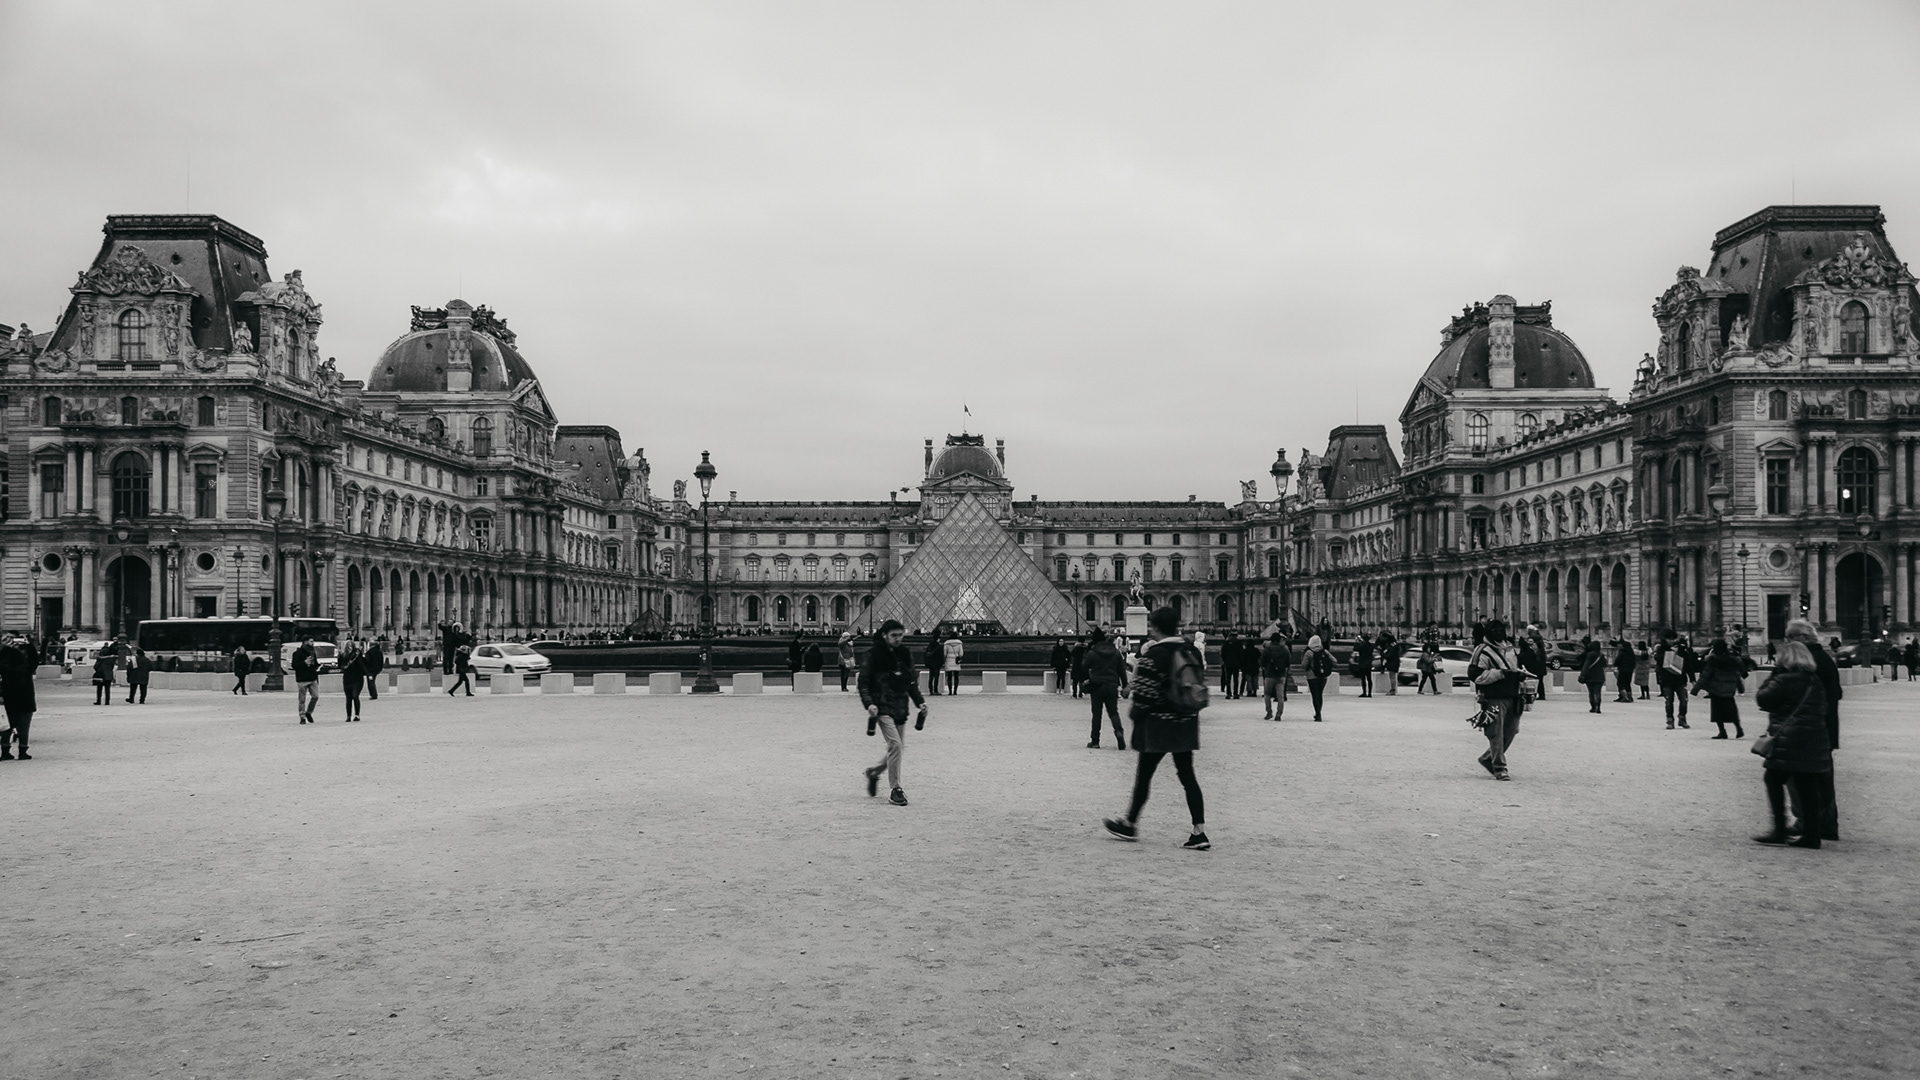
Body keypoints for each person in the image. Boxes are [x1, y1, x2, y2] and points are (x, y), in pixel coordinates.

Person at [1103, 606, 1210, 851]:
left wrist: (1135, 715)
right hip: (1185, 721)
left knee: (1144, 776)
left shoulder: (1154, 655)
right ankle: (1199, 831)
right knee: (1188, 777)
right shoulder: (1191, 650)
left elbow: (1144, 695)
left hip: (1158, 725)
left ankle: (1130, 823)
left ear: (1155, 627)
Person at [1751, 641, 1831, 849]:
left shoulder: (1784, 679)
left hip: (1788, 739)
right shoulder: (1814, 681)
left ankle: (1779, 829)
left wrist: (1774, 674)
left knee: (1773, 778)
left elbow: (1763, 698)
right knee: (1807, 786)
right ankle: (1813, 835)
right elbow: (1823, 707)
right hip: (1814, 739)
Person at [858, 620, 927, 807]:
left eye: (901, 635)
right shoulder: (872, 655)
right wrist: (869, 704)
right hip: (881, 707)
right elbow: (863, 683)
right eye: (894, 635)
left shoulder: (904, 653)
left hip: (900, 707)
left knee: (896, 749)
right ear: (884, 635)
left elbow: (911, 681)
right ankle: (896, 789)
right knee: (896, 745)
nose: (898, 639)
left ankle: (873, 773)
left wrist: (920, 702)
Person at [1787, 619, 1841, 842]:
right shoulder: (1825, 659)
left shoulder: (1808, 661)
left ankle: (1806, 821)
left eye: (1791, 638)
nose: (1787, 642)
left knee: (1799, 777)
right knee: (1823, 777)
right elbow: (1836, 693)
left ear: (1805, 638)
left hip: (1807, 730)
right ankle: (1827, 823)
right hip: (1825, 727)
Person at [1470, 618, 1525, 781]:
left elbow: (1516, 668)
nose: (1500, 633)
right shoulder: (1482, 650)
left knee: (1511, 730)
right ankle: (1500, 767)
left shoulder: (1510, 649)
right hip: (1493, 697)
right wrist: (1500, 674)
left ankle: (1488, 758)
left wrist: (1520, 675)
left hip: (1513, 695)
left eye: (1502, 630)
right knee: (1496, 733)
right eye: (1496, 631)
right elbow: (1475, 675)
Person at [1694, 638, 1747, 739]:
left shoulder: (1713, 661)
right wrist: (1740, 688)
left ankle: (1722, 731)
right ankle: (1739, 728)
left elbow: (1705, 676)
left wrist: (1696, 689)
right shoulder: (1732, 660)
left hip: (1716, 690)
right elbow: (1737, 675)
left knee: (1717, 712)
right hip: (1729, 690)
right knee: (1732, 710)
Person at [1084, 627, 1127, 749]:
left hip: (1097, 686)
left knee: (1097, 714)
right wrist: (1125, 685)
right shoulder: (1116, 653)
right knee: (1113, 712)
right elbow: (1122, 671)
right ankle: (1119, 732)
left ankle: (1095, 741)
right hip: (1112, 685)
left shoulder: (1093, 653)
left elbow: (1084, 666)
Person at [0, 632, 36, 761]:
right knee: (24, 728)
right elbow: (35, 660)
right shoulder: (26, 667)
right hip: (26, 698)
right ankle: (22, 751)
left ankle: (5, 751)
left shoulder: (4, 665)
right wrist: (29, 645)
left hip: (8, 697)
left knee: (7, 727)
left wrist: (6, 648)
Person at [1655, 632, 1693, 729]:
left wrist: (1692, 678)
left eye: (1673, 639)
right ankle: (1670, 720)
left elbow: (1688, 663)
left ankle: (1682, 718)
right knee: (1669, 701)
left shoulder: (1681, 649)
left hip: (1680, 679)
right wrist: (1669, 653)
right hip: (1667, 679)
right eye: (1669, 639)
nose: (1671, 641)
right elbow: (1658, 659)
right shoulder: (1662, 648)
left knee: (1684, 700)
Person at [1302, 635, 1335, 721]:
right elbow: (1334, 661)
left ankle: (1318, 714)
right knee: (1320, 694)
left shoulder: (1309, 652)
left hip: (1312, 676)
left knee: (1314, 695)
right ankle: (1318, 712)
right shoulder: (1325, 651)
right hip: (1323, 676)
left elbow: (1304, 665)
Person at [1260, 633, 1292, 719]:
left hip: (1269, 675)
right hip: (1281, 675)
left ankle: (1269, 712)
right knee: (1280, 696)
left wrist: (1265, 667)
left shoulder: (1267, 649)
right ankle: (1279, 714)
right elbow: (1288, 662)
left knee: (1267, 694)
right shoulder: (1285, 649)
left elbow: (1262, 662)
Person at [290, 636, 321, 724]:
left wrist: (317, 667)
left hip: (312, 678)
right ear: (305, 642)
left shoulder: (312, 652)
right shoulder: (297, 653)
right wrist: (304, 662)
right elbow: (294, 666)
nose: (313, 643)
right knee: (302, 699)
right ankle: (302, 716)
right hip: (302, 679)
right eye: (311, 641)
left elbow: (315, 663)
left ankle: (309, 712)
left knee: (315, 696)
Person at [1577, 638, 1607, 713]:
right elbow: (1605, 664)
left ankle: (1593, 707)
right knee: (1598, 692)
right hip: (1600, 676)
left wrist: (1582, 675)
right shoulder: (1601, 655)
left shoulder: (1590, 654)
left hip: (1590, 676)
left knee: (1591, 692)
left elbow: (1586, 665)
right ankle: (1598, 706)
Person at [340, 642, 367, 721]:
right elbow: (340, 665)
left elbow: (362, 664)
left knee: (355, 696)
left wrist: (368, 674)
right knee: (348, 698)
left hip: (357, 678)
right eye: (348, 647)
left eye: (351, 646)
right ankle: (348, 716)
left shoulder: (357, 654)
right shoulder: (343, 655)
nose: (350, 648)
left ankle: (357, 715)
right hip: (347, 679)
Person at [1613, 639, 1637, 703]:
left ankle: (1624, 697)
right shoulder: (1631, 654)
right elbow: (1634, 663)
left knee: (1620, 684)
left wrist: (1615, 664)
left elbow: (1617, 661)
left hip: (1622, 670)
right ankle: (1630, 697)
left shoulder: (1622, 653)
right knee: (1627, 684)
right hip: (1630, 671)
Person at [1378, 631, 1402, 695]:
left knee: (1392, 677)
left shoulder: (1391, 646)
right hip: (1395, 661)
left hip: (1392, 662)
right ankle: (1393, 689)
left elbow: (1389, 655)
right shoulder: (1394, 645)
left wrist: (1382, 654)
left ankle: (1393, 690)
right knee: (1392, 676)